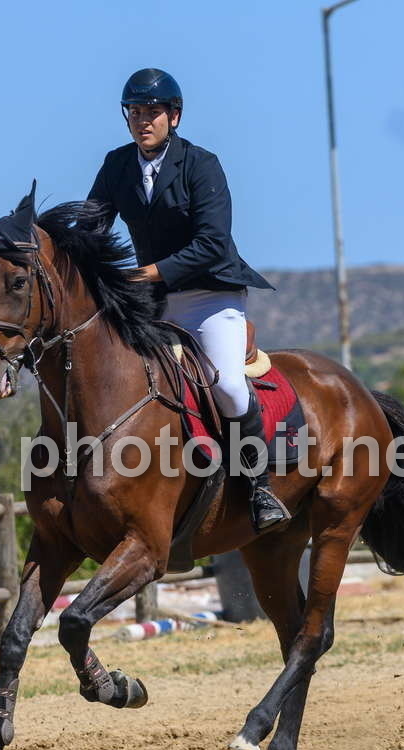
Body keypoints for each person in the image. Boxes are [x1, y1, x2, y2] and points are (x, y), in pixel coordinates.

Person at [87, 67, 290, 532]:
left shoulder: (201, 164)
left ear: (174, 116)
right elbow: (90, 230)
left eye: (152, 112)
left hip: (209, 296)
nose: (143, 120)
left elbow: (213, 243)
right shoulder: (117, 165)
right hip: (153, 303)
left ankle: (259, 488)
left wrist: (147, 273)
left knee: (228, 385)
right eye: (134, 112)